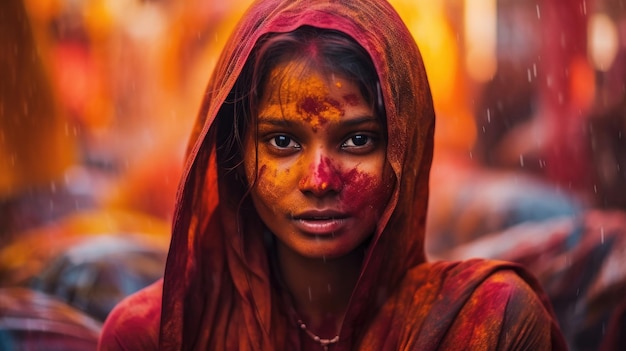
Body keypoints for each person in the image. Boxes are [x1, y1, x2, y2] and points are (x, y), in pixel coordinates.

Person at [99, 0, 567, 349]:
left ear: (406, 148)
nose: (320, 178)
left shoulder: (485, 324)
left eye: (357, 140)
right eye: (283, 142)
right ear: (235, 153)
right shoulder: (152, 335)